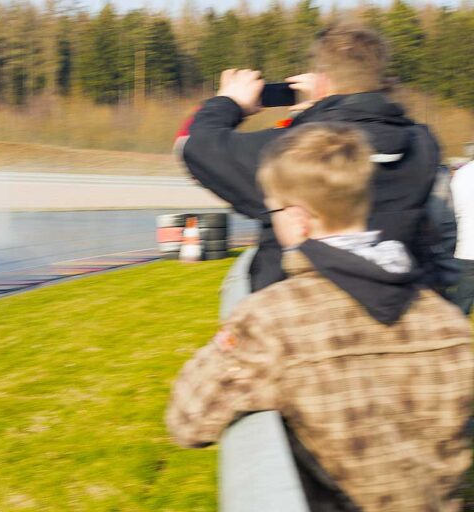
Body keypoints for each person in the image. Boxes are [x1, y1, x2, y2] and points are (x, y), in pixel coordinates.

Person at [166, 123, 474, 511]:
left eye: (273, 208)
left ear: (298, 219)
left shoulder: (273, 319)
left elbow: (187, 418)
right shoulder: (446, 322)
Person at [182, 22, 457, 293]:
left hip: (298, 301)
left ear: (322, 81)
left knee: (237, 281)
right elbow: (443, 228)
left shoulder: (298, 150)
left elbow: (195, 146)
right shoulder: (421, 142)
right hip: (397, 296)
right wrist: (322, 109)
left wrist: (229, 102)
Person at [452, 159, 474, 314]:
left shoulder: (463, 174)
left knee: (461, 305)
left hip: (467, 248)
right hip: (467, 247)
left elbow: (452, 212)